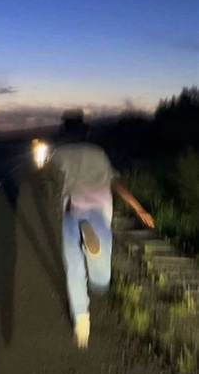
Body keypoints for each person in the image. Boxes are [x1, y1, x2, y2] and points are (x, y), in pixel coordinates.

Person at [44, 142, 155, 349]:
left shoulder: (63, 151)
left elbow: (49, 171)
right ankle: (94, 254)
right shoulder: (99, 154)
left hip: (72, 211)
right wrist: (139, 208)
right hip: (99, 213)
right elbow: (116, 183)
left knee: (74, 269)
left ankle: (82, 320)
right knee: (101, 282)